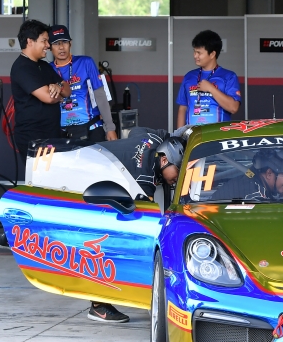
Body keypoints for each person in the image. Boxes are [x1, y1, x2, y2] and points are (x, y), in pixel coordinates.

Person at [84, 127, 183, 323]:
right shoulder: (143, 179)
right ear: (164, 160)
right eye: (178, 171)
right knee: (105, 242)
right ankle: (98, 306)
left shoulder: (154, 137)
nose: (177, 179)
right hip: (87, 179)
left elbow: (135, 131)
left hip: (91, 155)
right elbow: (143, 221)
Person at [10, 20, 71, 159]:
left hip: (52, 135)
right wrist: (59, 95)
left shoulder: (44, 66)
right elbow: (49, 98)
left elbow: (68, 90)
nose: (48, 46)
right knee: (41, 180)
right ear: (30, 41)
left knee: (54, 179)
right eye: (44, 41)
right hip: (33, 138)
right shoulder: (22, 67)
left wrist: (59, 87)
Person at [48, 25, 118, 142]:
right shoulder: (47, 69)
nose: (61, 47)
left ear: (70, 43)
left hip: (91, 127)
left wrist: (110, 128)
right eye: (56, 43)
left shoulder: (86, 62)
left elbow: (100, 94)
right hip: (62, 131)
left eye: (64, 42)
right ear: (49, 47)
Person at [176, 30, 241, 127]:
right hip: (193, 137)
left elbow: (233, 108)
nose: (195, 56)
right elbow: (182, 108)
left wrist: (211, 89)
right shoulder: (189, 76)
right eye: (194, 51)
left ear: (212, 54)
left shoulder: (229, 76)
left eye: (199, 52)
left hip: (218, 137)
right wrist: (179, 136)